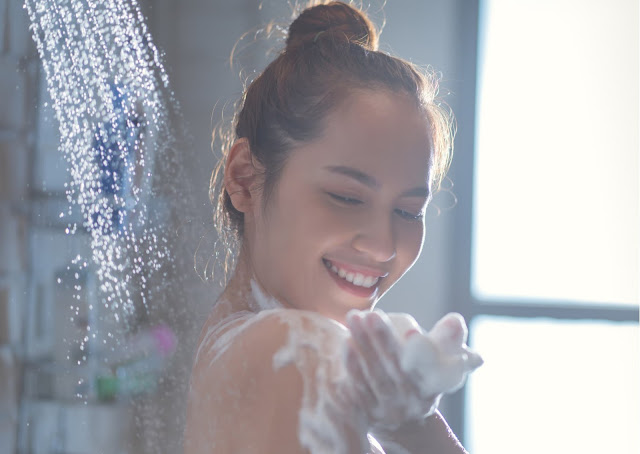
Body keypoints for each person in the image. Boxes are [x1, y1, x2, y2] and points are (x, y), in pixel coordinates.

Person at [184, 2, 477, 453]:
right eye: (347, 197)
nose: (382, 247)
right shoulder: (298, 351)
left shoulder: (242, 349)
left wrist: (413, 426)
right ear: (244, 178)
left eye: (408, 212)